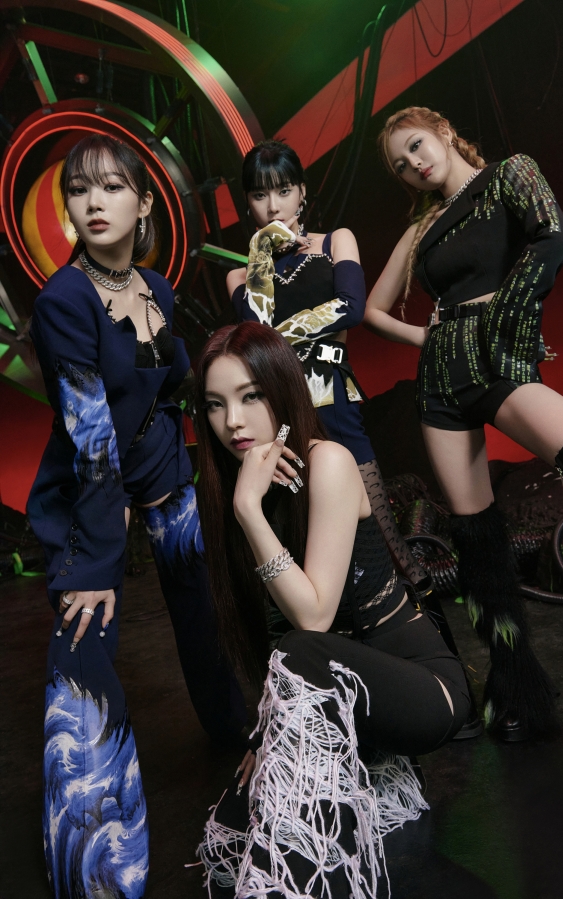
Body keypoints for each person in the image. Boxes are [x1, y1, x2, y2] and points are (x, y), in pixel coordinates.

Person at [27, 134, 245, 897]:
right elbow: (90, 437)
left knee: (208, 603)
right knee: (84, 647)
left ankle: (237, 727)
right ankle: (95, 857)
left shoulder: (155, 286)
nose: (93, 202)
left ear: (144, 202)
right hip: (91, 496)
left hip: (163, 472)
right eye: (78, 190)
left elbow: (170, 379)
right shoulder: (62, 302)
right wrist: (96, 558)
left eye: (112, 187)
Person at [193, 321, 470, 898]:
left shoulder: (330, 463)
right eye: (216, 405)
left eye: (250, 396)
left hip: (423, 688)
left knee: (303, 649)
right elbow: (271, 632)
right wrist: (265, 736)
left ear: (282, 389)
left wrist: (250, 513)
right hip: (339, 690)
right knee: (232, 834)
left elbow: (312, 621)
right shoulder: (236, 482)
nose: (233, 421)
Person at [364, 105, 563, 741]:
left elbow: (555, 237)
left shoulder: (508, 175)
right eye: (400, 164)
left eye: (416, 146)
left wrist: (507, 311)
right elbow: (370, 310)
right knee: (477, 542)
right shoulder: (422, 228)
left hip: (497, 362)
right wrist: (426, 335)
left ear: (442, 130)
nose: (414, 164)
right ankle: (517, 688)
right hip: (441, 381)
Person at [226, 141, 477, 720]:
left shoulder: (335, 241)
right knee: (304, 559)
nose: (272, 205)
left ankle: (449, 680)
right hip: (281, 425)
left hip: (336, 410)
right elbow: (255, 337)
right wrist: (264, 259)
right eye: (259, 195)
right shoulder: (242, 273)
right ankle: (343, 700)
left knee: (389, 545)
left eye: (283, 190)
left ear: (302, 192)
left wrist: (285, 332)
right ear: (248, 204)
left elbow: (354, 308)